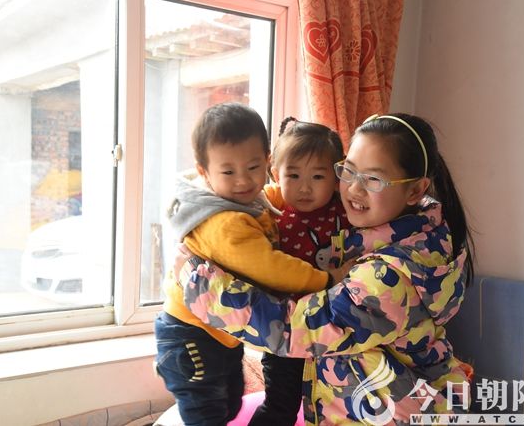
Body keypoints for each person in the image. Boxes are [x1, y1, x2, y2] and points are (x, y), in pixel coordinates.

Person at [176, 113, 475, 425]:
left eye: (373, 179)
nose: (354, 189)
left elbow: (295, 329)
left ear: (415, 191)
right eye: (349, 171)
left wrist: (201, 285)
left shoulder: (389, 278)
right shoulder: (419, 232)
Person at [154, 103, 349, 426]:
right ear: (204, 172)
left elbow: (273, 197)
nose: (243, 180)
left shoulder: (245, 198)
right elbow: (272, 268)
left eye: (253, 167)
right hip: (192, 337)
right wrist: (327, 279)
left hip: (219, 333)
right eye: (228, 172)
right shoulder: (226, 223)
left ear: (267, 164)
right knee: (207, 415)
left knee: (230, 404)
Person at [250, 117, 350, 426]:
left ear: (337, 177)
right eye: (293, 175)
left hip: (336, 330)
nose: (305, 187)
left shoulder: (348, 210)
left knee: (334, 406)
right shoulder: (270, 216)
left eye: (317, 176)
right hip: (287, 332)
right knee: (280, 406)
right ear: (275, 174)